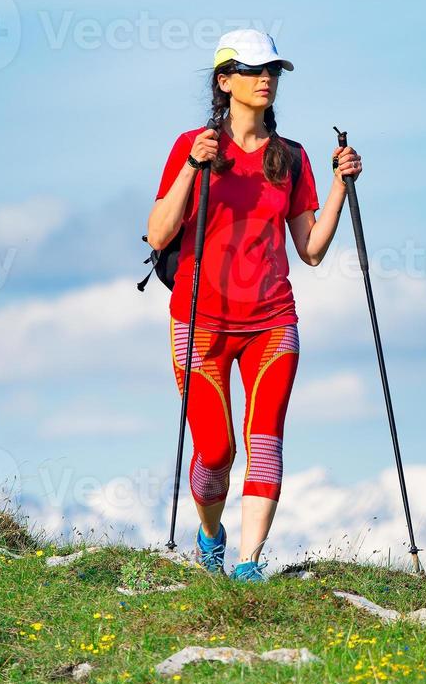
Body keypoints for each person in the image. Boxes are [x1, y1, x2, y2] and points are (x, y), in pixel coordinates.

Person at [146, 29, 362, 581]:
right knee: (215, 451)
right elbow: (157, 233)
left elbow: (310, 250)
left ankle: (248, 564)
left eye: (274, 71)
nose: (266, 79)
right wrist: (194, 167)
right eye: (253, 70)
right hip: (199, 323)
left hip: (272, 322)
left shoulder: (290, 157)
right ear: (225, 81)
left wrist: (340, 186)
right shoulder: (192, 146)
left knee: (264, 443)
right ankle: (211, 535)